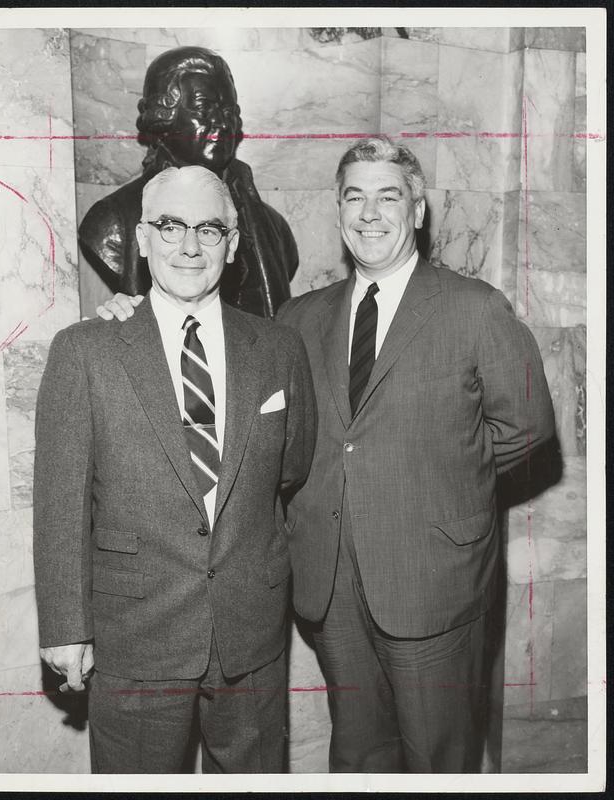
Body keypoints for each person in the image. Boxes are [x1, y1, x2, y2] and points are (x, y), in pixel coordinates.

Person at [96, 138, 556, 773]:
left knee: (438, 759)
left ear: (417, 211)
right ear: (339, 213)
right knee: (358, 753)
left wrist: (445, 490)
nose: (370, 213)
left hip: (433, 582)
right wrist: (134, 317)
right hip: (331, 585)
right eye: (354, 197)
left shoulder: (475, 308)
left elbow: (528, 428)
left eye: (388, 196)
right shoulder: (300, 319)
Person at [33, 165, 316, 774]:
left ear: (233, 245)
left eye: (210, 229)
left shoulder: (278, 350)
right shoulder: (85, 351)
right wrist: (64, 627)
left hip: (251, 633)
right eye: (170, 226)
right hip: (135, 632)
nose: (190, 246)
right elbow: (60, 502)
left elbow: (290, 470)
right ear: (141, 238)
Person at [78, 45, 298, 318]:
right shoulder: (111, 221)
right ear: (163, 118)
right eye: (203, 109)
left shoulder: (274, 227)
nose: (221, 123)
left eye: (228, 111)